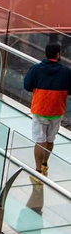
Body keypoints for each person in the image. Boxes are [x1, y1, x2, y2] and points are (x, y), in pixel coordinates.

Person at [23, 42, 71, 180]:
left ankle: (38, 171)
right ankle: (45, 164)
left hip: (40, 109)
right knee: (50, 139)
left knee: (40, 141)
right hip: (57, 110)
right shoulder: (66, 72)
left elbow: (27, 85)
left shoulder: (36, 69)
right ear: (58, 55)